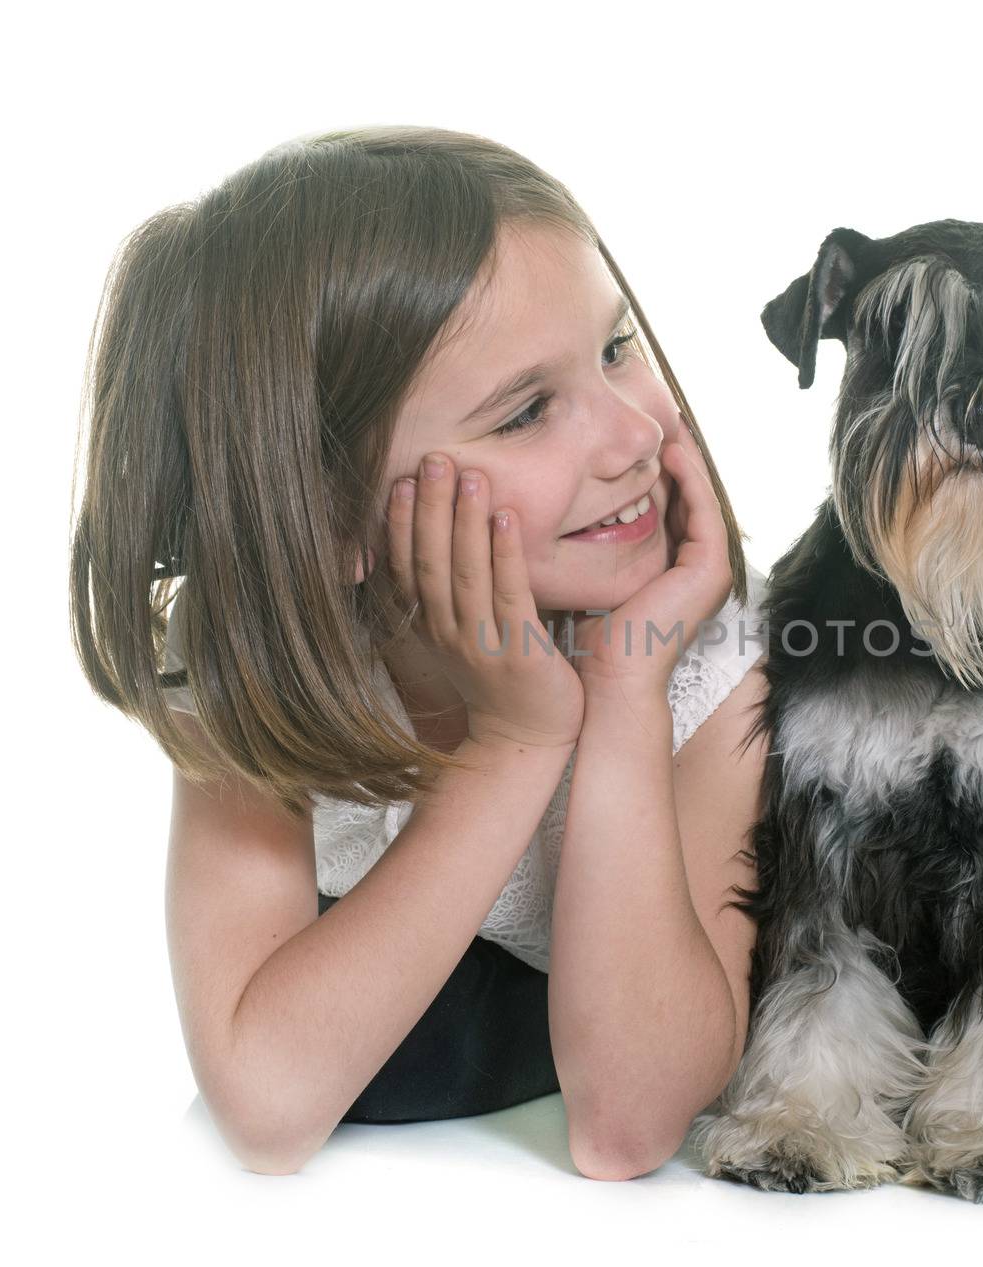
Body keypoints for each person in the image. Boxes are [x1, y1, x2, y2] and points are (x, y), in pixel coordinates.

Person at [68, 126, 771, 1179]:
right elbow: (265, 1105)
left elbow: (626, 1126)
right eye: (528, 410)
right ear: (330, 517)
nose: (633, 436)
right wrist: (515, 740)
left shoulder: (708, 654)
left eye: (618, 347)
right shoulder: (264, 667)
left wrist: (623, 689)